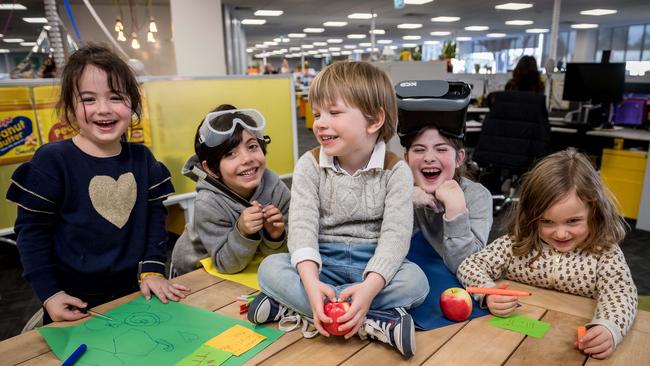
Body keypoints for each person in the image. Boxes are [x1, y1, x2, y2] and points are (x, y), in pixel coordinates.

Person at [247, 61, 429, 358]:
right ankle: (371, 320)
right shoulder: (309, 163)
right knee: (269, 269)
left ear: (374, 121)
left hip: (371, 265)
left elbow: (395, 238)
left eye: (334, 113)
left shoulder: (396, 170)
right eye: (318, 114)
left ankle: (296, 307)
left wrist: (369, 288)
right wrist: (310, 280)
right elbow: (303, 228)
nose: (319, 123)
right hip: (323, 263)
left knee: (417, 282)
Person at [6, 43, 189, 324]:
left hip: (136, 292)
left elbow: (156, 218)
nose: (103, 109)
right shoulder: (53, 161)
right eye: (88, 99)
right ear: (70, 107)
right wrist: (49, 294)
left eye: (115, 97)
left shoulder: (142, 159)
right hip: (73, 300)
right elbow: (32, 234)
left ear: (133, 102)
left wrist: (152, 269)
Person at [457, 149, 637, 360]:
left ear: (594, 212)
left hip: (568, 347)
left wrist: (609, 328)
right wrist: (488, 293)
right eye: (546, 222)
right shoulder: (516, 242)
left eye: (573, 221)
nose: (560, 233)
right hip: (503, 342)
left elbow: (621, 293)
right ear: (531, 217)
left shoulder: (604, 252)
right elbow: (469, 265)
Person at [171, 105, 290, 276]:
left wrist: (275, 237)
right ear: (211, 168)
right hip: (195, 273)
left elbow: (283, 257)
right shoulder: (208, 203)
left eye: (252, 146)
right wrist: (242, 232)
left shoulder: (276, 189)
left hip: (249, 268)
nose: (247, 159)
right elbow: (226, 265)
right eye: (230, 154)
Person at [401, 125, 492, 273]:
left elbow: (468, 268)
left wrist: (456, 210)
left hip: (452, 282)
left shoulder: (477, 196)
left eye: (441, 149)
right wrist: (402, 200)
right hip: (406, 277)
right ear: (407, 159)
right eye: (419, 150)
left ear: (459, 158)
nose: (429, 158)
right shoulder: (399, 190)